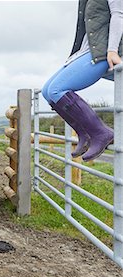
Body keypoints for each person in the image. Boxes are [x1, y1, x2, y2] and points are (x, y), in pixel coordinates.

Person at [42, 0, 122, 161]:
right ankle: (84, 133)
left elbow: (119, 14)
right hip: (87, 50)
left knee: (57, 89)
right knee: (47, 91)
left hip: (102, 51)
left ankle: (101, 133)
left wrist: (112, 50)